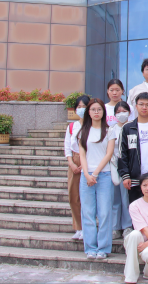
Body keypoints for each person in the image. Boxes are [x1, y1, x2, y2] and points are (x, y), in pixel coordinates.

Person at [74, 98, 116, 259]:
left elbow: (109, 154)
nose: (96, 112)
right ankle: (90, 248)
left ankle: (103, 248)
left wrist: (95, 173)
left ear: (103, 112)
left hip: (103, 175)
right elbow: (82, 155)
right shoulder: (83, 132)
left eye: (99, 109)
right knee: (88, 213)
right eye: (93, 109)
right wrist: (86, 174)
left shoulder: (109, 131)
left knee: (104, 213)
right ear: (88, 112)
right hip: (86, 177)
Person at [64, 94, 89, 241]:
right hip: (74, 160)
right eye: (79, 107)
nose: (81, 109)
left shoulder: (93, 126)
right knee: (73, 196)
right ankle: (78, 227)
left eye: (84, 107)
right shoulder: (72, 127)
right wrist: (72, 163)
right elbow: (67, 147)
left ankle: (87, 227)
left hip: (89, 160)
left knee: (87, 197)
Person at [110, 101, 133, 241]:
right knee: (115, 199)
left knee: (126, 199)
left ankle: (127, 226)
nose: (121, 114)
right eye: (118, 112)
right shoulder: (111, 129)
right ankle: (115, 227)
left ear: (129, 113)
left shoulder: (132, 128)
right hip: (113, 165)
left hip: (128, 166)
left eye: (124, 111)